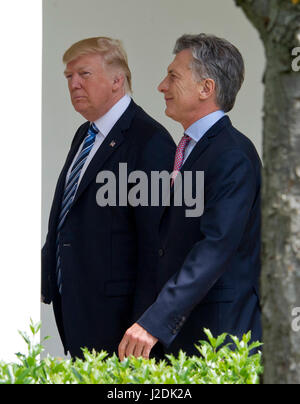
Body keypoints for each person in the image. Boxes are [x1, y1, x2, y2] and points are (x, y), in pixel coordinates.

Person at [119, 33, 262, 361]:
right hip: (181, 337)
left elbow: (214, 248)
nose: (161, 86)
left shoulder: (232, 155)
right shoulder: (188, 150)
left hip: (218, 340)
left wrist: (155, 320)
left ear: (206, 88)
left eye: (173, 76)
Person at [41, 37, 176, 359]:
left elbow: (156, 245)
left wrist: (146, 323)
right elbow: (69, 214)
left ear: (118, 80)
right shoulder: (85, 134)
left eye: (84, 74)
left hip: (121, 325)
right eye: (68, 77)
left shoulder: (150, 142)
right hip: (76, 306)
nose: (74, 84)